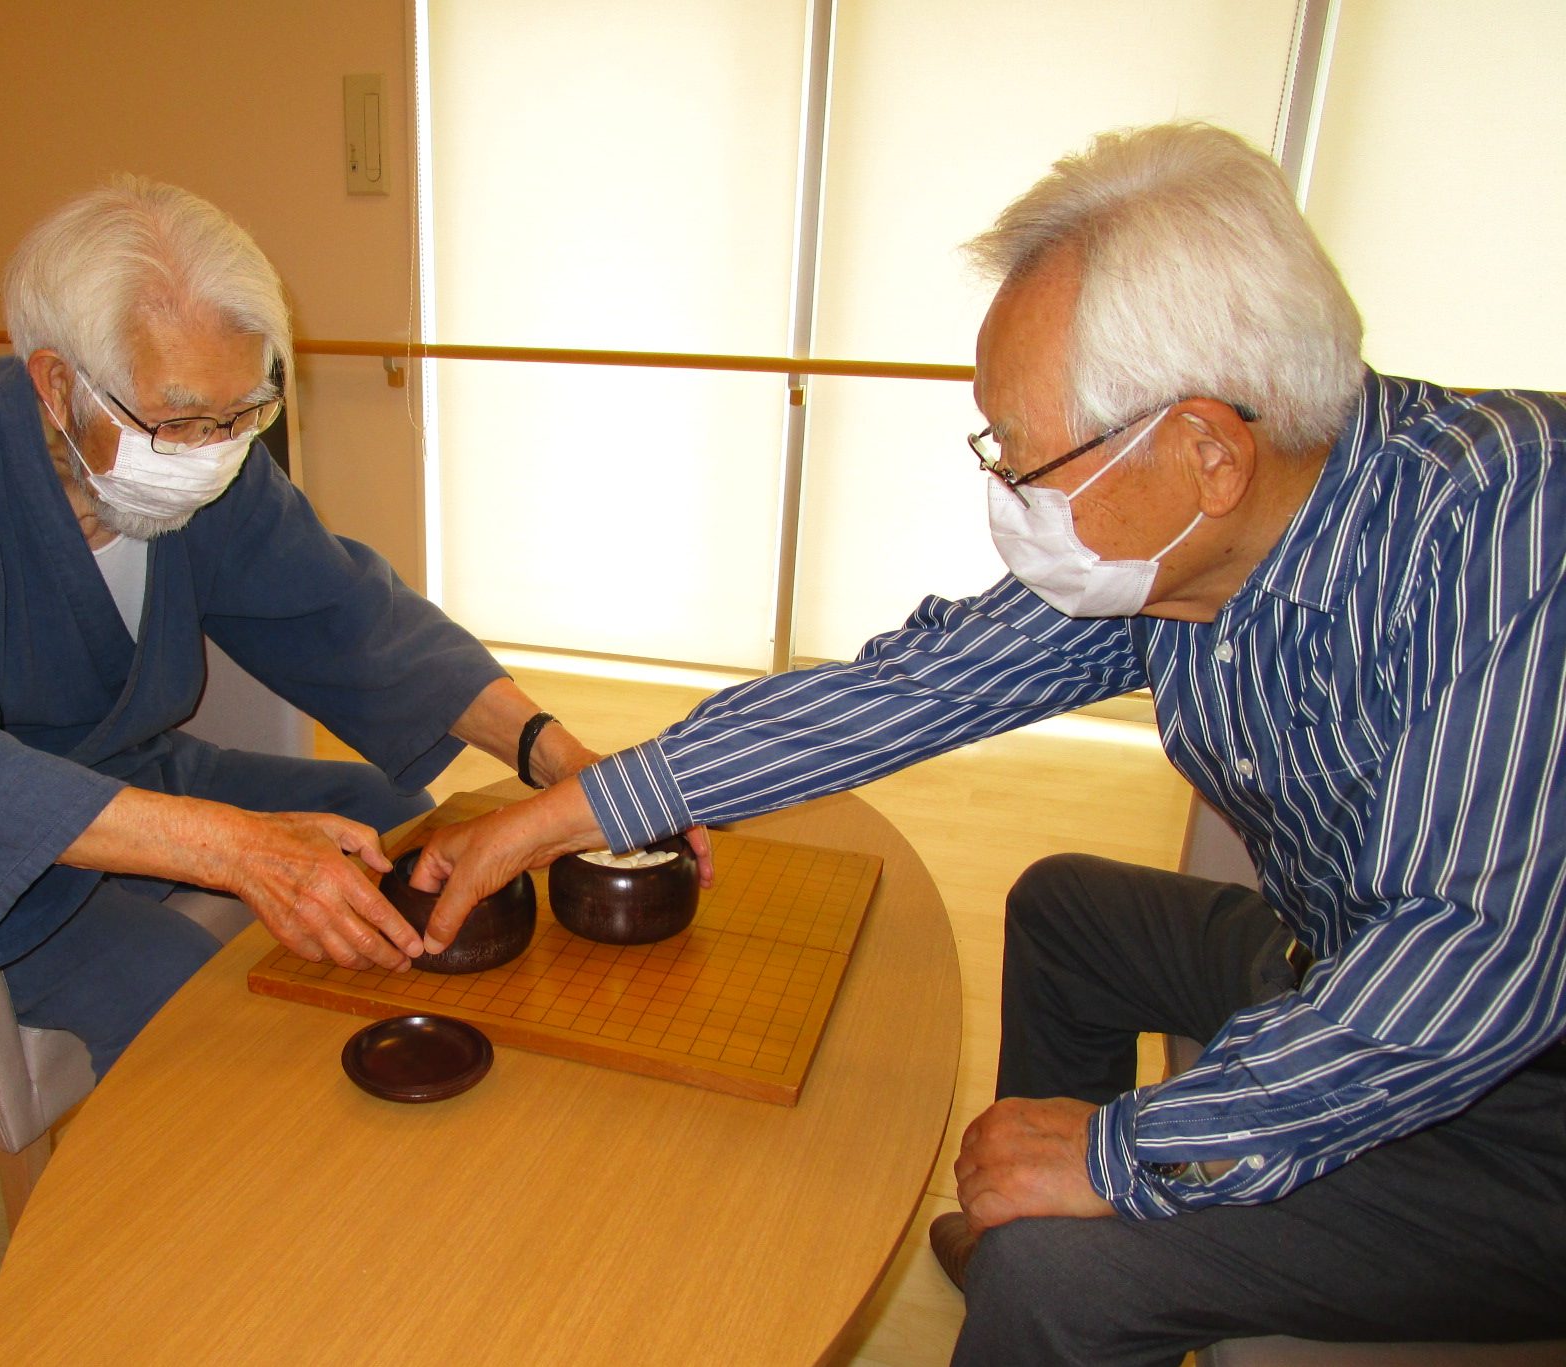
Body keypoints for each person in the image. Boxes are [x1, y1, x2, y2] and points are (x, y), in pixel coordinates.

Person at [409, 123, 1566, 1363]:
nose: (1005, 488)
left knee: (1055, 1277)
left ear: (1206, 452)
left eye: (1022, 453)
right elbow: (910, 689)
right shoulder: (1197, 538)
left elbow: (1471, 964)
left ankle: (1035, 1259)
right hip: (1326, 956)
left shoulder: (1511, 526)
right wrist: (562, 812)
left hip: (1505, 1091)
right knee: (1068, 913)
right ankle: (1023, 1213)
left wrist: (1121, 1155)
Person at [0, 174, 599, 1076]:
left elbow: (350, 616)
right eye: (178, 420)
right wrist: (242, 850)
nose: (212, 451)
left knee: (394, 830)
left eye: (241, 414)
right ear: (58, 384)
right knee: (186, 994)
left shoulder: (208, 455)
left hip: (135, 774)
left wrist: (557, 759)